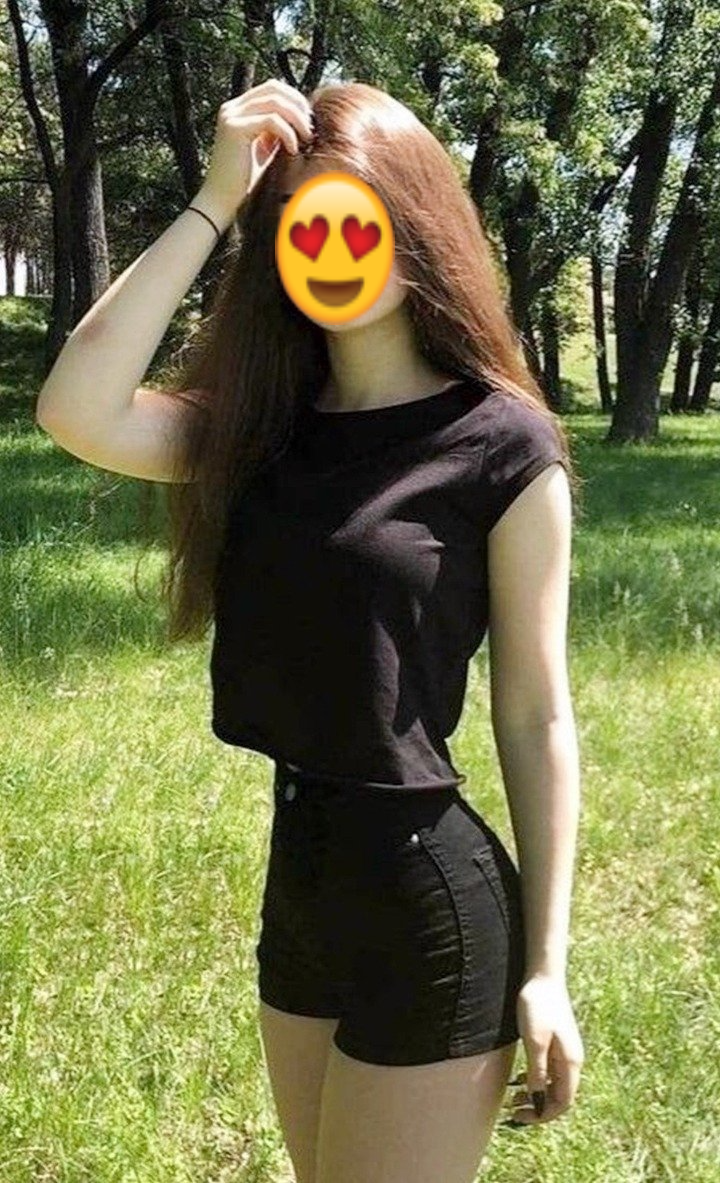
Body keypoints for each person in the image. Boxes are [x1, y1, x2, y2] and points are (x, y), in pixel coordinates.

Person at [36, 77, 584, 1183]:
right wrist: (215, 201)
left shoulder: (505, 447)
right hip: (303, 885)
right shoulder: (262, 430)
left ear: (414, 226)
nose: (328, 249)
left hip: (431, 900)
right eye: (300, 225)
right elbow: (77, 408)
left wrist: (548, 966)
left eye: (355, 219)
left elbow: (537, 714)